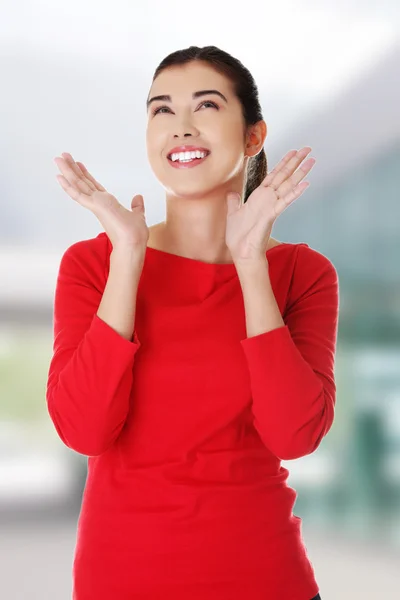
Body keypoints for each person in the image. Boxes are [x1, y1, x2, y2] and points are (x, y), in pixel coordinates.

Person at [47, 44, 338, 599]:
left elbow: (294, 434)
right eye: (162, 110)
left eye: (205, 106)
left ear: (254, 136)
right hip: (122, 580)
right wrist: (127, 257)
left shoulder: (302, 272)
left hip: (265, 578)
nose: (180, 128)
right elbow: (84, 430)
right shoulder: (92, 265)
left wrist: (252, 265)